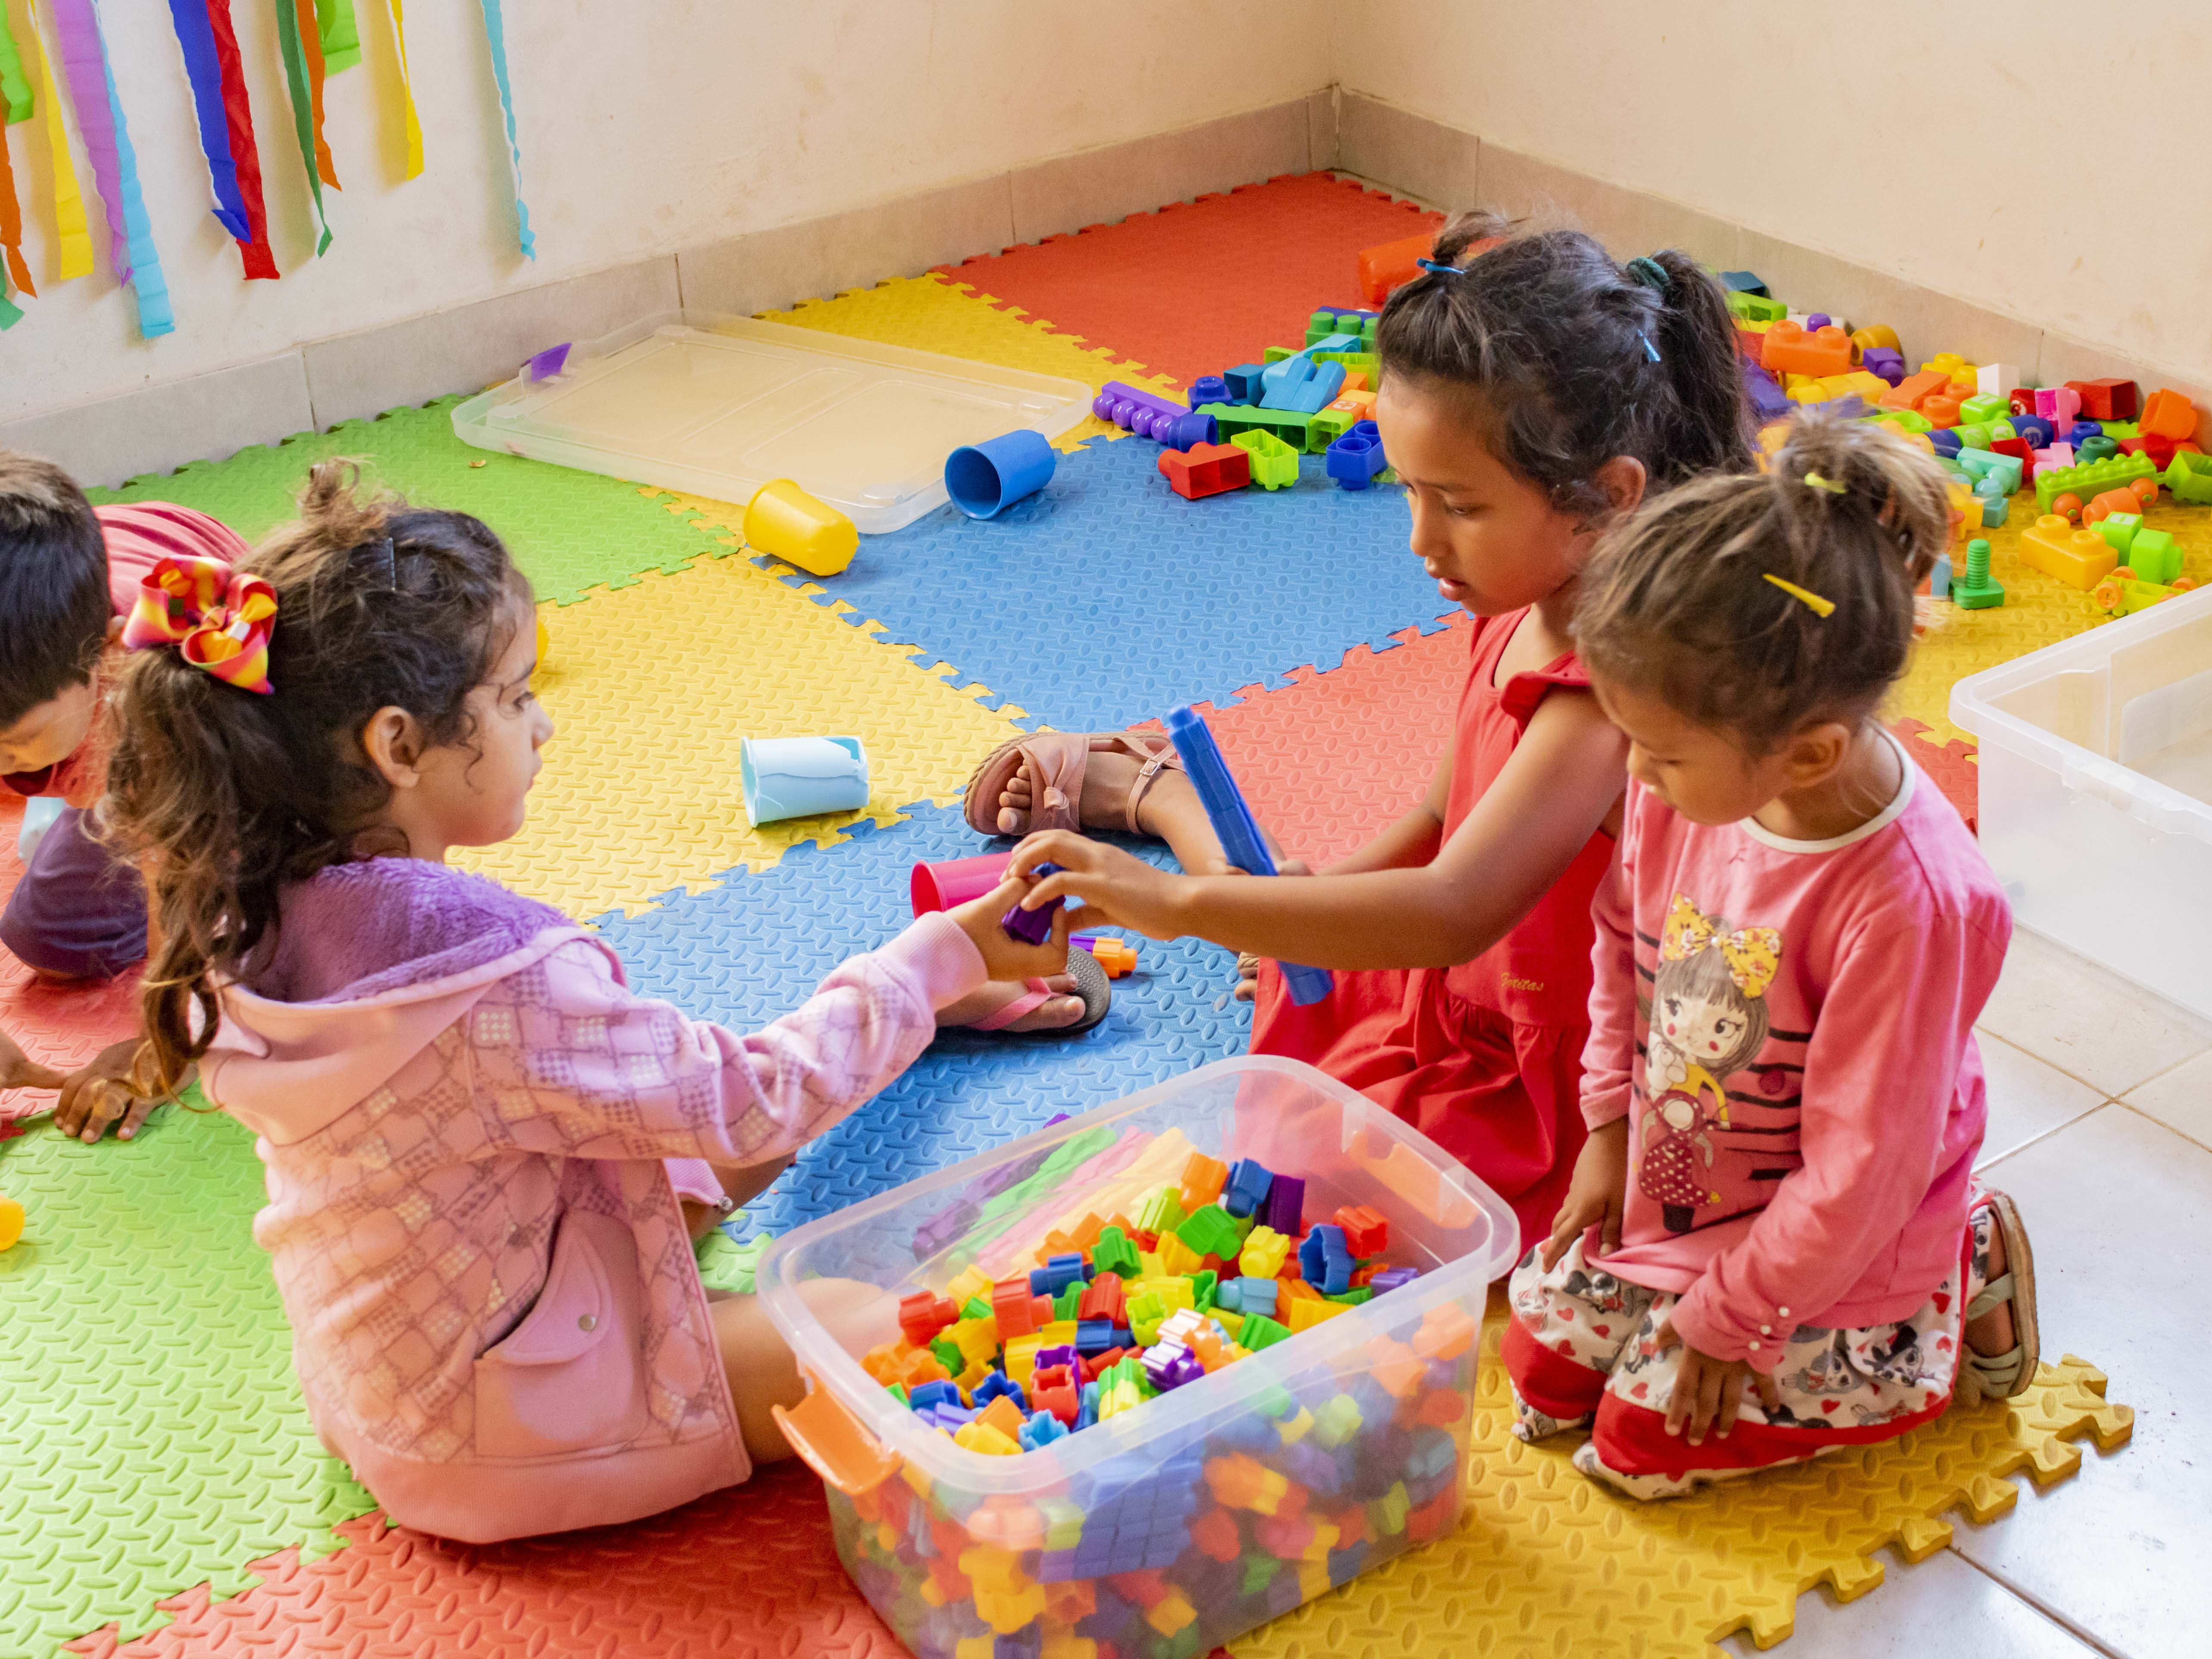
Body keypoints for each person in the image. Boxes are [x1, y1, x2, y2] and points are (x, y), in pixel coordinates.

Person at [84, 464, 1069, 1543]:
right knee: (872, 1321)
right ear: (398, 745)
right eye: (512, 698)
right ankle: (927, 996)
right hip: (498, 1440)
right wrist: (937, 954)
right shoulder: (487, 982)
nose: (543, 726)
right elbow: (749, 1104)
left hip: (392, 1368)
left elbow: (693, 1118)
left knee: (673, 1147)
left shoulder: (254, 900)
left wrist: (920, 991)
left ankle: (921, 1007)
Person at [988, 213, 1752, 1246]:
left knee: (1337, 1199)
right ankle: (1165, 798)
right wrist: (1312, 895)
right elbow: (1439, 818)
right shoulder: (1519, 605)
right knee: (1292, 974)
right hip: (1457, 993)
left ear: (1606, 499)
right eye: (1407, 489)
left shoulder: (1603, 699)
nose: (1420, 539)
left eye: (1460, 504)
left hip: (1553, 1063)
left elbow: (1450, 909)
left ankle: (1166, 804)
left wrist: (1176, 905)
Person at [1497, 414, 2039, 1499]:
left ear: (1807, 752)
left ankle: (1956, 1264)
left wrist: (1732, 1319)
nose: (1634, 778)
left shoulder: (1907, 905)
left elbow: (1860, 1169)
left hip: (1856, 1229)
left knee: (1641, 1449)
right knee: (1542, 1371)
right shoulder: (1691, 785)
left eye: (1658, 752)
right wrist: (1605, 1124)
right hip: (1695, 1182)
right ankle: (1718, 1294)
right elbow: (1619, 943)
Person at [0, 450, 252, 1129]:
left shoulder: (155, 688)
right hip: (79, 613)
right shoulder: (44, 684)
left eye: (9, 741)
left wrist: (165, 1040)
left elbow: (184, 871)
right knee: (49, 939)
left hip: (234, 674)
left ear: (105, 660)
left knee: (277, 919)